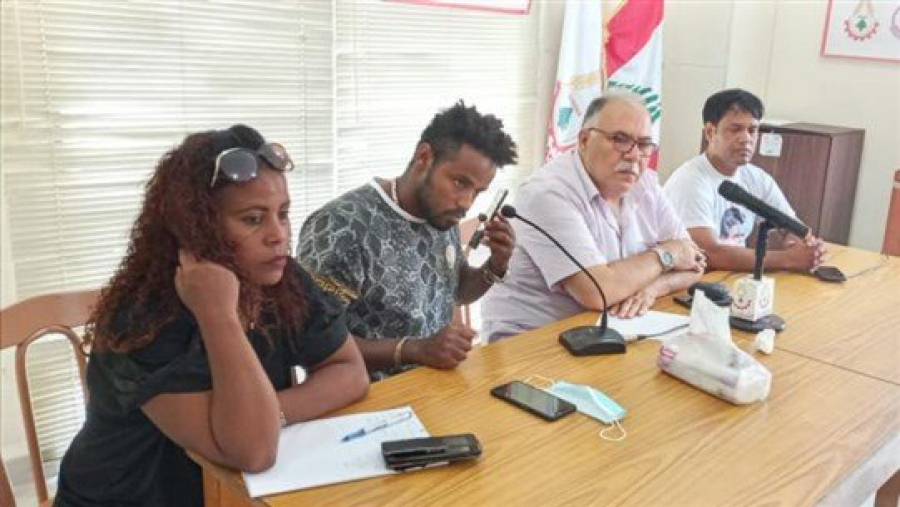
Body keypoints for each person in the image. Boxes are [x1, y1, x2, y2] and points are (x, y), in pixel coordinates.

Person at [54, 125, 369, 507]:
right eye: (253, 219)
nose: (278, 235)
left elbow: (350, 372)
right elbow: (254, 451)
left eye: (283, 214)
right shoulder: (144, 317)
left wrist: (269, 415)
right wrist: (218, 314)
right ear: (198, 227)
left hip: (224, 493)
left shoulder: (281, 278)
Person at [297, 101, 518, 380]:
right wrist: (413, 349)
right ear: (424, 157)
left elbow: (458, 292)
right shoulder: (341, 227)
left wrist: (495, 265)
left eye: (478, 192)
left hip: (435, 386)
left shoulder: (441, 214)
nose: (466, 202)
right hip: (369, 395)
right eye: (460, 183)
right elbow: (313, 343)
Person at [481, 92, 705, 342]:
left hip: (608, 329)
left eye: (644, 144)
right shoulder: (547, 194)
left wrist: (653, 288)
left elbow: (695, 262)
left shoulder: (645, 185)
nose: (634, 155)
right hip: (531, 340)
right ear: (584, 140)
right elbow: (598, 292)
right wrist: (667, 255)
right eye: (620, 139)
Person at [663, 88, 826, 272]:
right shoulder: (689, 181)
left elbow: (793, 227)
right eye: (735, 129)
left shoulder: (756, 177)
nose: (746, 139)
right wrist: (788, 259)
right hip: (696, 279)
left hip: (734, 277)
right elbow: (709, 253)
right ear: (710, 132)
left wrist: (801, 246)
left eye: (752, 130)